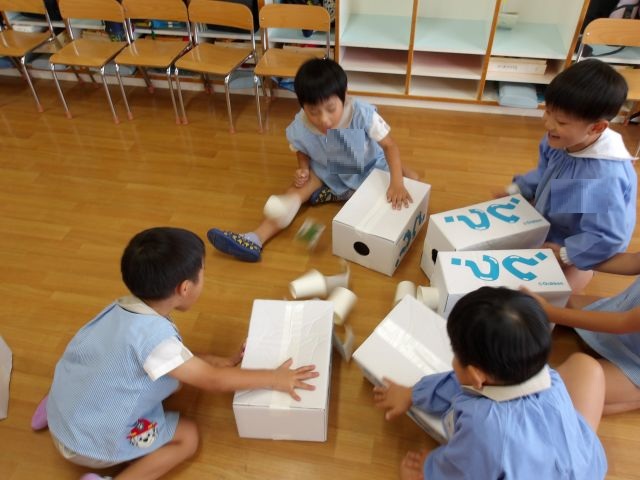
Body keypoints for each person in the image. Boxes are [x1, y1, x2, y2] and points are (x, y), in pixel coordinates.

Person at [30, 227, 319, 480]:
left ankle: (56, 411)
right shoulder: (155, 341)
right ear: (185, 288)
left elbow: (174, 357)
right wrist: (275, 378)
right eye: (203, 273)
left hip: (64, 406)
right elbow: (213, 381)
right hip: (90, 444)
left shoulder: (123, 308)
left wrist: (220, 361)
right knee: (188, 437)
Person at [373, 287, 607, 480]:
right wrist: (413, 393)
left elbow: (462, 470)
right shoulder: (547, 377)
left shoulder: (484, 425)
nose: (454, 361)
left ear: (477, 376)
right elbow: (460, 383)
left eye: (456, 356)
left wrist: (430, 469)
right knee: (584, 365)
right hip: (582, 465)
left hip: (527, 459)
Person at [207, 57, 418, 262]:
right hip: (326, 170)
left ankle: (340, 192)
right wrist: (303, 169)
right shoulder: (301, 123)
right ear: (302, 106)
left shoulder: (362, 113)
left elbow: (390, 146)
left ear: (344, 95)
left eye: (331, 109)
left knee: (410, 179)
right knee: (293, 194)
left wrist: (397, 183)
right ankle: (255, 238)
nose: (324, 119)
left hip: (366, 168)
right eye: (313, 112)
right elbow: (301, 148)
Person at [500, 58, 636, 292]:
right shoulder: (560, 139)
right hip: (558, 214)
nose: (548, 124)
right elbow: (544, 172)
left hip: (586, 238)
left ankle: (584, 268)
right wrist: (520, 188)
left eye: (561, 121)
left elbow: (605, 235)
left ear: (597, 127)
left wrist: (567, 254)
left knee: (556, 291)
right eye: (547, 111)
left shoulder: (602, 177)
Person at [524, 250, 640, 415]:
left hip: (634, 358)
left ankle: (634, 397)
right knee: (559, 298)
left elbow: (623, 323)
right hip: (622, 313)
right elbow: (634, 260)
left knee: (562, 393)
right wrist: (571, 256)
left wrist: (549, 311)